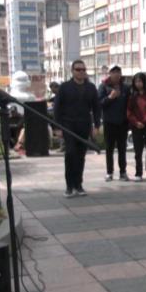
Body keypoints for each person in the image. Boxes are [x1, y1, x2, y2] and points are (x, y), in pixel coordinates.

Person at [55, 59, 101, 198]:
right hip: (68, 125)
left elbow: (96, 108)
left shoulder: (91, 87)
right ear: (72, 71)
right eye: (78, 70)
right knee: (70, 154)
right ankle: (69, 186)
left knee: (81, 156)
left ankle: (78, 185)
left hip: (84, 125)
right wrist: (57, 128)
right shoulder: (64, 87)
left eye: (83, 70)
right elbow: (57, 108)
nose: (81, 72)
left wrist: (97, 125)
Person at [99, 65, 130, 181]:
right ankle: (109, 172)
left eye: (118, 72)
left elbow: (130, 105)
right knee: (109, 149)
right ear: (109, 74)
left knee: (122, 148)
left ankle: (123, 172)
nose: (116, 74)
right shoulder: (103, 87)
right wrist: (110, 98)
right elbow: (99, 104)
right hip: (109, 122)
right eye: (114, 72)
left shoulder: (126, 87)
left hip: (122, 123)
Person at [127, 72, 146, 182]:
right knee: (138, 150)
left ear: (144, 82)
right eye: (136, 81)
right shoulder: (132, 95)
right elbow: (129, 111)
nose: (138, 83)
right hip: (136, 126)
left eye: (140, 81)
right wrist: (136, 122)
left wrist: (144, 121)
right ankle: (138, 173)